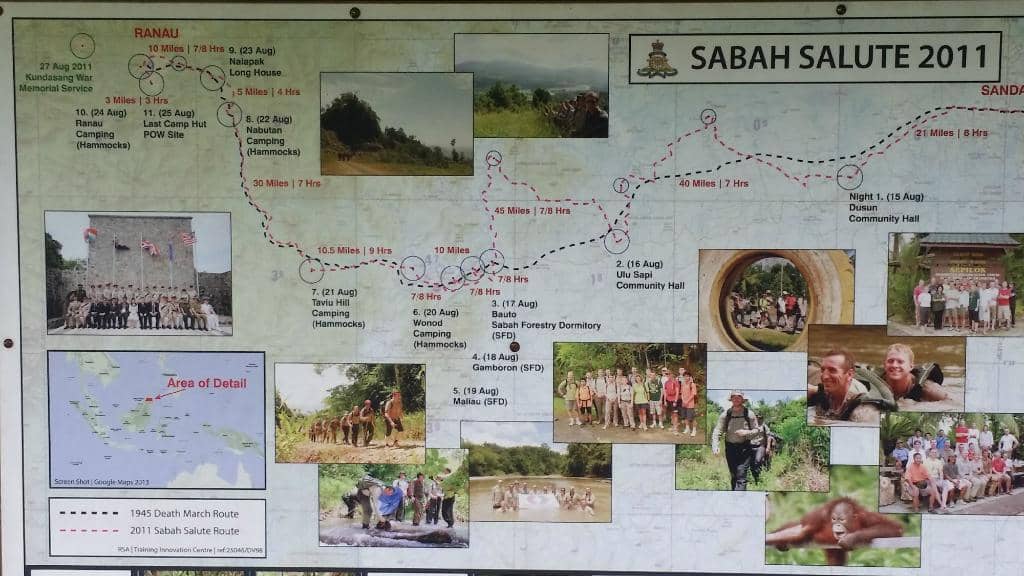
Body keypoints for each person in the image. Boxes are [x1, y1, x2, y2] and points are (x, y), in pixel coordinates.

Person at [808, 347, 886, 423]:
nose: (824, 376)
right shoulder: (822, 397)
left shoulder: (863, 412)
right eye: (822, 370)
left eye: (832, 370)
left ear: (849, 374)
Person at [711, 390, 759, 491]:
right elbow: (717, 430)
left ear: (742, 399)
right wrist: (715, 445)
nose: (736, 398)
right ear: (731, 399)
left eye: (739, 397)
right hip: (730, 448)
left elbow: (757, 430)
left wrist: (746, 433)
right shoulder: (726, 414)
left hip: (745, 448)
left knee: (741, 475)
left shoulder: (749, 414)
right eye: (734, 397)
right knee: (734, 476)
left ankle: (740, 499)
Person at [923, 448, 950, 512]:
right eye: (932, 452)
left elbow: (940, 472)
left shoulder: (939, 461)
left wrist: (941, 479)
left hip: (937, 479)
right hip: (929, 479)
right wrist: (930, 479)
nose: (934, 453)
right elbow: (925, 473)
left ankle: (943, 504)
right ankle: (942, 505)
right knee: (934, 486)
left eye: (935, 452)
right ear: (929, 453)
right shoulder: (925, 461)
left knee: (945, 484)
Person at [661, 367, 681, 435]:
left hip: (674, 400)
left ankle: (676, 429)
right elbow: (665, 392)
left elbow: (677, 391)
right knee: (672, 414)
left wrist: (675, 401)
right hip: (668, 400)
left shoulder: (676, 381)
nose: (667, 375)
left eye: (668, 374)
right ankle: (673, 426)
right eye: (666, 374)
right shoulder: (666, 382)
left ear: (672, 374)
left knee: (675, 414)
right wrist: (665, 401)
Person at [680, 368, 698, 437]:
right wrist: (683, 401)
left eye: (687, 376)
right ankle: (687, 428)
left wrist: (687, 401)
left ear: (690, 377)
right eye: (685, 376)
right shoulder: (683, 384)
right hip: (684, 404)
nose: (686, 377)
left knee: (692, 418)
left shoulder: (692, 384)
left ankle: (694, 430)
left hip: (690, 404)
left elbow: (693, 394)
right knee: (685, 417)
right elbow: (681, 394)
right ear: (683, 377)